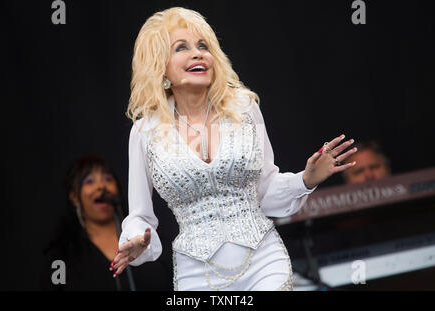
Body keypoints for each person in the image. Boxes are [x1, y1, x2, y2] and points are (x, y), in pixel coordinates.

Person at [110, 7, 357, 291]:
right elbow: (140, 215)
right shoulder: (146, 132)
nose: (198, 53)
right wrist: (137, 240)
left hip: (263, 261)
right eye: (182, 48)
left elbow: (263, 191)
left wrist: (306, 179)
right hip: (197, 274)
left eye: (203, 46)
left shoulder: (243, 109)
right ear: (160, 67)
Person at [41, 155, 171, 290]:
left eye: (107, 179)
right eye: (89, 181)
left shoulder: (144, 239)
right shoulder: (62, 255)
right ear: (74, 197)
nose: (101, 186)